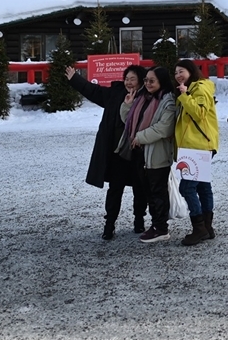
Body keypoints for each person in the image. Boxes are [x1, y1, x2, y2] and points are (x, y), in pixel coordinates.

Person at [65, 64, 147, 240]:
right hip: (116, 152)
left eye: (133, 79)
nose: (129, 82)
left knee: (140, 188)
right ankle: (109, 224)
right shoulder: (114, 94)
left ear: (140, 80)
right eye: (126, 79)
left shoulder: (147, 97)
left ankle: (139, 220)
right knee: (115, 189)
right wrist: (75, 79)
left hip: (139, 152)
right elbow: (93, 91)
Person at [118, 66, 175, 243]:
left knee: (158, 191)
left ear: (161, 81)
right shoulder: (143, 97)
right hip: (140, 152)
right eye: (146, 80)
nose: (148, 84)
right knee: (148, 191)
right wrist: (127, 105)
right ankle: (155, 224)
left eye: (152, 81)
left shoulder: (168, 101)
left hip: (157, 153)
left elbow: (164, 128)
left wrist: (140, 137)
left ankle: (161, 228)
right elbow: (128, 121)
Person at [173, 60, 219, 246]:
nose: (178, 75)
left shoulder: (199, 88)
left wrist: (184, 96)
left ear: (191, 71)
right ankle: (207, 228)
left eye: (181, 71)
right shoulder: (192, 88)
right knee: (202, 187)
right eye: (175, 72)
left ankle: (199, 228)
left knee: (187, 188)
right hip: (196, 145)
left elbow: (199, 113)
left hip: (198, 146)